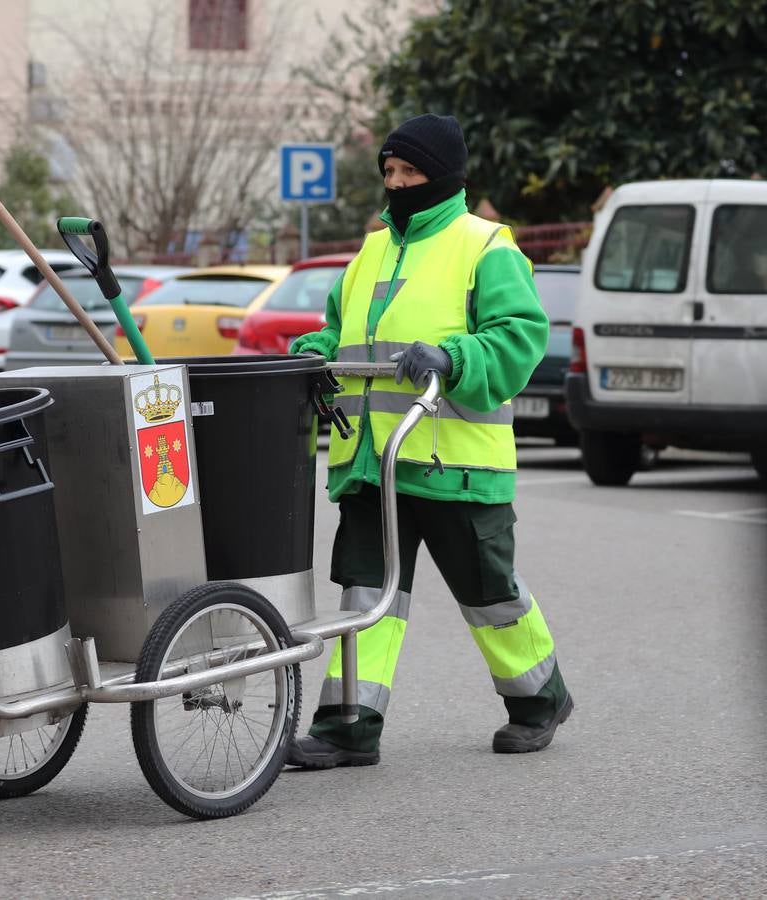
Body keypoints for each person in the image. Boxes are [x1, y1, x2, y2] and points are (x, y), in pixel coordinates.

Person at [287, 113, 574, 768]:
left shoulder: (486, 247)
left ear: (444, 176)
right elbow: (337, 331)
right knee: (366, 597)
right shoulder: (370, 252)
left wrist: (454, 356)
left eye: (409, 171)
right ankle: (347, 727)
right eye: (388, 171)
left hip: (456, 463)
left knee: (488, 593)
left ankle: (540, 698)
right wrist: (313, 352)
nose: (397, 183)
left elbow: (519, 337)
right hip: (371, 459)